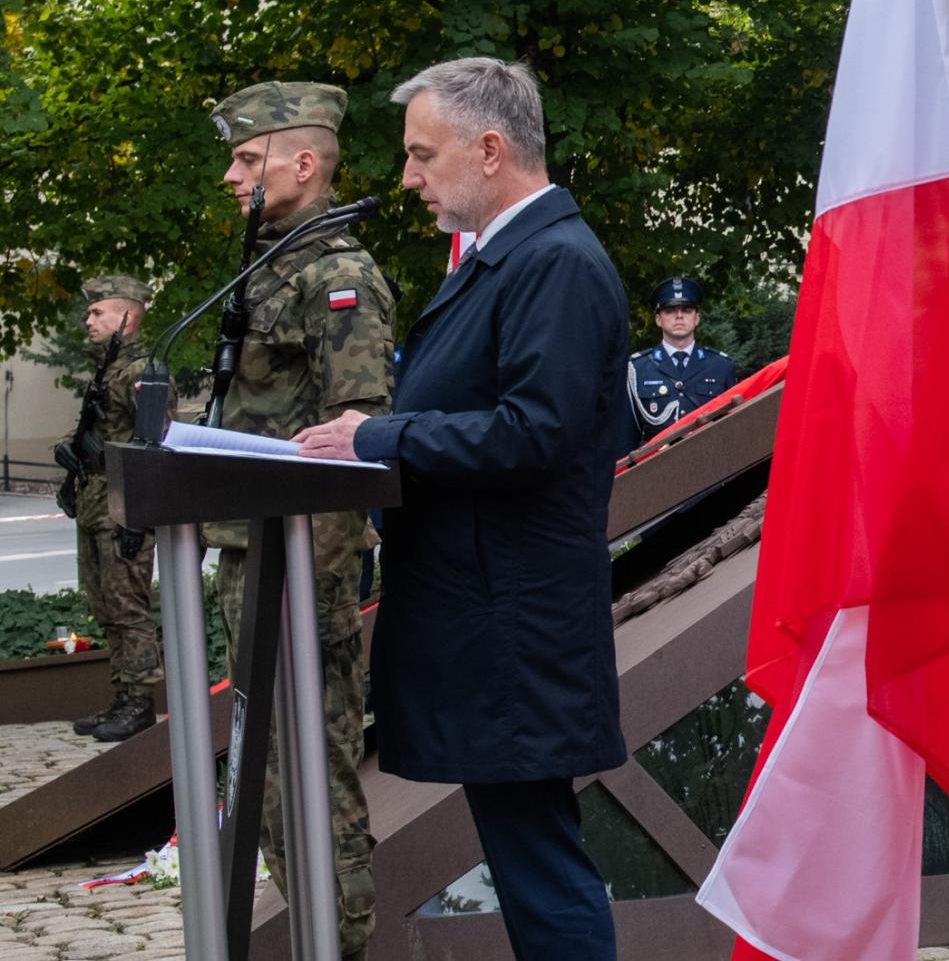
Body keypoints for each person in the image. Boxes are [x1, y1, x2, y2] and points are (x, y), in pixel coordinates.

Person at [294, 57, 628, 960]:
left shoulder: (552, 261)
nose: (407, 176)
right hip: (490, 617)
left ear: (488, 150)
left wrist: (380, 438)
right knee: (532, 859)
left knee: (541, 870)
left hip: (510, 622)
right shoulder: (513, 257)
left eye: (420, 153)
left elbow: (533, 435)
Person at [208, 81, 394, 960]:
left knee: (315, 779)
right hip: (253, 551)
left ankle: (346, 949)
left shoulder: (337, 276)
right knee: (272, 787)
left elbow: (355, 440)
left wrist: (314, 585)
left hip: (301, 563)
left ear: (304, 163)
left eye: (247, 159)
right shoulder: (270, 267)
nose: (231, 176)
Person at [65, 275, 165, 741]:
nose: (89, 321)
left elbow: (153, 444)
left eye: (98, 312)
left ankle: (140, 702)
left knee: (128, 608)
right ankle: (121, 698)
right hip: (95, 504)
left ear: (127, 317)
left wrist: (139, 513)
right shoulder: (108, 368)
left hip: (124, 508)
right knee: (106, 608)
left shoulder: (142, 371)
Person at [627, 275, 738, 445]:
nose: (679, 316)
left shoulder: (722, 367)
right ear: (658, 319)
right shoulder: (638, 369)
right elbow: (627, 437)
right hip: (655, 466)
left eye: (687, 310)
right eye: (670, 311)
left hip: (709, 463)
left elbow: (732, 429)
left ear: (697, 318)